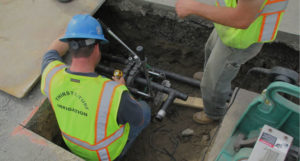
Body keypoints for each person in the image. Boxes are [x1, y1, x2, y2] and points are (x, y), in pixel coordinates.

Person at [41, 14, 151, 161]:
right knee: (144, 109)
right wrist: (123, 88)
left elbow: (51, 52)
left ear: (69, 44)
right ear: (97, 48)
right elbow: (139, 119)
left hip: (72, 146)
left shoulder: (51, 74)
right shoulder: (114, 93)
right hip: (105, 156)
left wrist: (73, 32)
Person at [175, 0, 289, 124]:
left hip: (241, 37)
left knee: (214, 83)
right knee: (210, 49)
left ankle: (214, 113)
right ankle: (209, 75)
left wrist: (194, 7)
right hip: (228, 28)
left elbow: (241, 19)